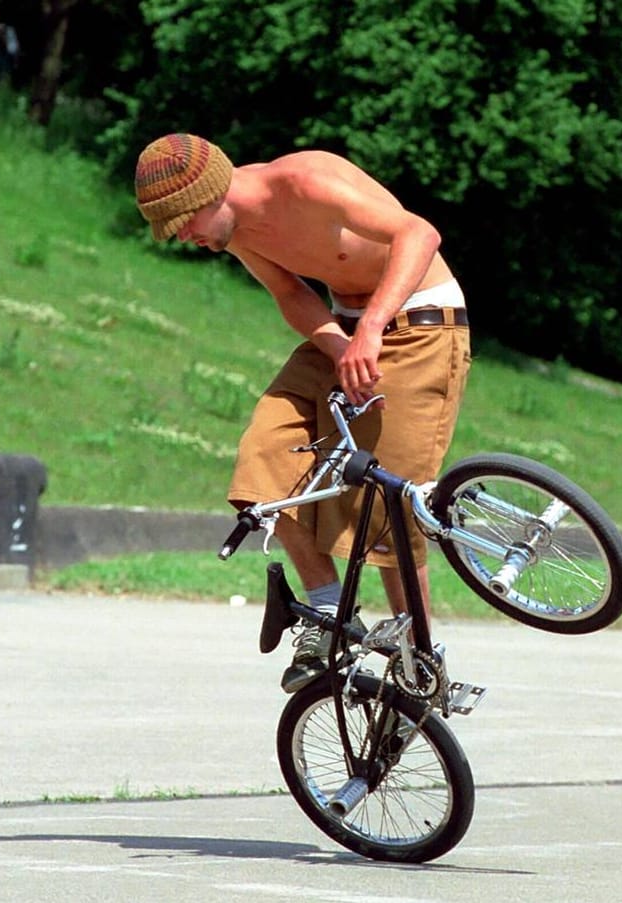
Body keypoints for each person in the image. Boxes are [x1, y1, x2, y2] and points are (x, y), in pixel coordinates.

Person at [134, 133, 472, 693]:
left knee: (385, 506)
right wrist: (341, 347)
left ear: (213, 189)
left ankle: (420, 662)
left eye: (185, 221)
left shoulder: (306, 182)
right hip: (344, 335)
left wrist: (368, 329)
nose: (186, 238)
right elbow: (291, 295)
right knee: (263, 461)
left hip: (419, 326)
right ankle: (329, 614)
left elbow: (419, 232)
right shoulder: (235, 233)